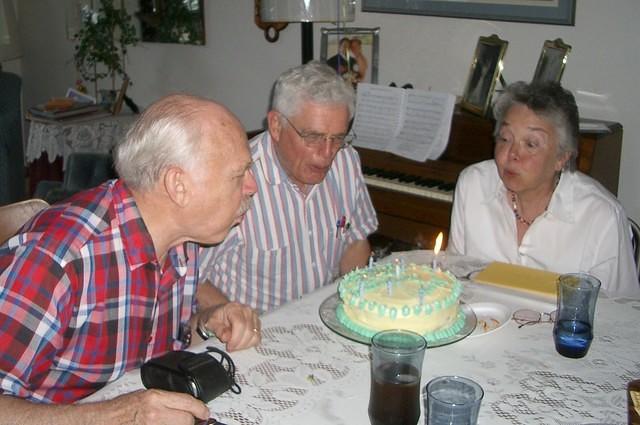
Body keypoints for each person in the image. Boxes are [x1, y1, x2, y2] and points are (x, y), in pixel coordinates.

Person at [0, 94, 261, 424]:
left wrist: (205, 325)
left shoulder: (181, 238)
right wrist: (119, 415)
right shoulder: (60, 259)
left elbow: (155, 349)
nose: (252, 187)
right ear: (178, 186)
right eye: (239, 175)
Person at [198, 61, 378, 313]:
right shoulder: (233, 180)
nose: (327, 154)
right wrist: (232, 319)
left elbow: (356, 242)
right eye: (313, 137)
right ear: (275, 125)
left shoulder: (346, 161)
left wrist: (355, 304)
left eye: (337, 138)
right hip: (255, 331)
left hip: (322, 319)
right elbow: (190, 279)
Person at [449, 81, 640, 298]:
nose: (512, 154)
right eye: (505, 138)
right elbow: (455, 279)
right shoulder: (472, 185)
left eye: (530, 144)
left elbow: (621, 313)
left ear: (561, 157)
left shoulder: (601, 217)